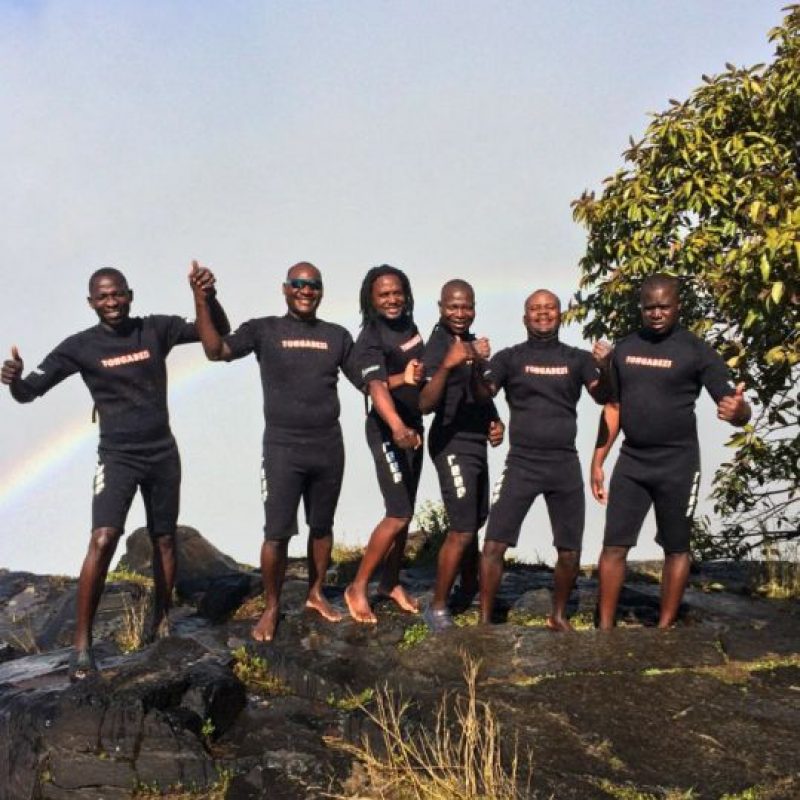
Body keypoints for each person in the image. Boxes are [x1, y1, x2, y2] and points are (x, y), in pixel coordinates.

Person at [1, 263, 229, 680]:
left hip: (162, 453)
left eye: (117, 294)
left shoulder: (155, 329)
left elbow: (214, 334)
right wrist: (14, 379)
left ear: (130, 294)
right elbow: (29, 392)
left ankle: (162, 621)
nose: (111, 303)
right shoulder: (79, 347)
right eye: (102, 297)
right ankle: (82, 646)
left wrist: (207, 296)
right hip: (118, 456)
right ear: (91, 303)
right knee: (103, 538)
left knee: (164, 538)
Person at [190, 262, 361, 642]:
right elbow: (215, 350)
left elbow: (367, 381)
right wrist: (202, 299)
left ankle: (316, 593)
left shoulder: (337, 335)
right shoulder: (263, 329)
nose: (305, 290)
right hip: (283, 448)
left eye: (313, 285)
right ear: (285, 289)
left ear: (321, 291)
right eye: (298, 284)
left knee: (322, 527)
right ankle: (272, 606)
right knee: (277, 533)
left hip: (328, 446)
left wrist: (412, 384)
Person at [591, 274, 750, 629]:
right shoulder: (625, 347)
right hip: (632, 461)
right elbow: (611, 405)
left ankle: (665, 628)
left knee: (676, 547)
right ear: (641, 308)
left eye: (664, 306)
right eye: (650, 307)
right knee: (614, 544)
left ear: (678, 306)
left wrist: (739, 412)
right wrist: (598, 461)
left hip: (678, 463)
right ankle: (604, 628)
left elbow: (733, 404)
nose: (657, 313)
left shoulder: (697, 351)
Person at [479, 289, 610, 628]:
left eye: (549, 308)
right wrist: (476, 364)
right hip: (521, 462)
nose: (542, 313)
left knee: (569, 550)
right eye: (535, 309)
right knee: (494, 543)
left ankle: (558, 615)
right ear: (525, 317)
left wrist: (607, 365)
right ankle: (484, 619)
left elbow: (604, 396)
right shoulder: (509, 358)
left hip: (564, 464)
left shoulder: (578, 359)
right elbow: (482, 392)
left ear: (560, 315)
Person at [418, 279, 505, 632]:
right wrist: (448, 365)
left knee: (475, 519)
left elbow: (482, 394)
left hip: (475, 441)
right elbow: (424, 404)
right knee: (463, 527)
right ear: (441, 307)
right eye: (453, 306)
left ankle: (469, 586)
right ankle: (437, 605)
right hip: (450, 442)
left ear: (474, 308)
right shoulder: (437, 346)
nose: (459, 313)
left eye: (466, 306)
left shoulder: (473, 343)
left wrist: (494, 420)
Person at [344, 265, 425, 624]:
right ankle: (358, 587)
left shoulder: (408, 326)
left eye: (397, 293)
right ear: (371, 300)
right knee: (397, 513)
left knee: (406, 511)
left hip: (414, 426)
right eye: (383, 294)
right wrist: (396, 427)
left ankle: (390, 583)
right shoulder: (371, 337)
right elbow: (375, 386)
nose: (392, 299)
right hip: (387, 430)